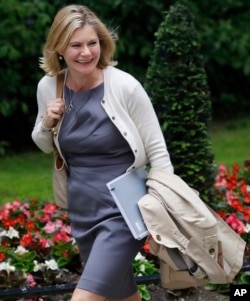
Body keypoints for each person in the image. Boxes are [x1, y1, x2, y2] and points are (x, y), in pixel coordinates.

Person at [32, 4, 173, 301]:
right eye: (76, 45)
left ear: (102, 43)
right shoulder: (49, 87)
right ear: (59, 47)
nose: (86, 52)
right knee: (123, 293)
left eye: (92, 43)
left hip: (124, 212)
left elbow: (158, 150)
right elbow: (45, 144)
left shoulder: (124, 86)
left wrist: (164, 206)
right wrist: (47, 122)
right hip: (83, 211)